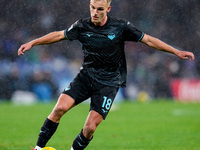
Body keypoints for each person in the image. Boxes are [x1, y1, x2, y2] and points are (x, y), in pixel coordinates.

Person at [18, 0, 195, 149]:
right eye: (92, 7)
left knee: (89, 128)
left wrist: (175, 52)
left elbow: (148, 39)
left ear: (108, 9)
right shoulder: (81, 26)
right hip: (86, 77)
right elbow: (58, 35)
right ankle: (38, 148)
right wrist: (33, 43)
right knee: (59, 108)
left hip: (109, 83)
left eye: (100, 9)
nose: (95, 12)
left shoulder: (121, 27)